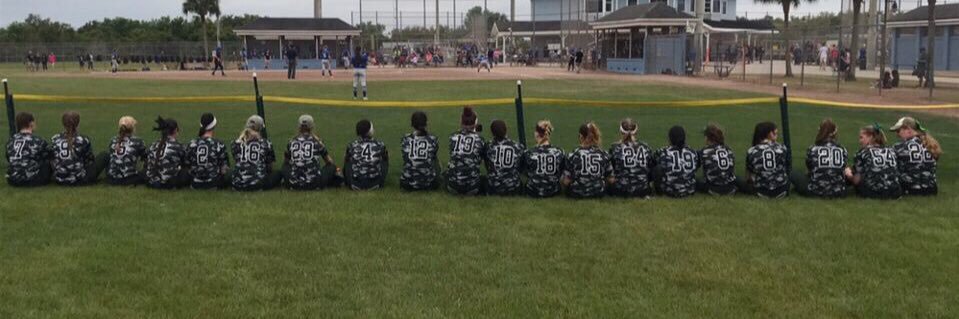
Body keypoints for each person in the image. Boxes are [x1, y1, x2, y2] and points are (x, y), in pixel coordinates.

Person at [792, 119, 849, 198]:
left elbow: (809, 170)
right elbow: (844, 169)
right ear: (835, 132)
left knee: (793, 173)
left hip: (815, 191)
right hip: (839, 192)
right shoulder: (843, 149)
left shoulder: (812, 149)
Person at [844, 124, 902, 199]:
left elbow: (856, 180)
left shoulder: (862, 152)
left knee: (850, 173)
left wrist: (849, 175)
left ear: (871, 137)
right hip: (895, 193)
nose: (859, 141)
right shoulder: (892, 151)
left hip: (873, 193)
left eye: (861, 138)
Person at [283, 115, 340, 190]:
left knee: (285, 166)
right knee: (332, 167)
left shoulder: (291, 141)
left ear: (299, 126)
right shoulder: (317, 142)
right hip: (314, 183)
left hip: (294, 183)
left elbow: (286, 161)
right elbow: (329, 161)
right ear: (312, 126)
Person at [890, 117, 941, 196]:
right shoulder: (931, 145)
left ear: (908, 130)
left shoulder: (899, 147)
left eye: (898, 131)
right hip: (931, 190)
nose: (897, 134)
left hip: (910, 190)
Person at [50, 111, 102, 186]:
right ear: (78, 124)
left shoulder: (55, 139)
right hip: (79, 179)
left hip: (60, 179)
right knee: (104, 156)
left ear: (63, 124)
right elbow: (89, 160)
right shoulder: (83, 140)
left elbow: (52, 159)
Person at [231, 115, 281, 191]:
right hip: (258, 184)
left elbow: (238, 161)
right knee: (278, 174)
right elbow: (270, 166)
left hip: (238, 184)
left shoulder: (235, 143)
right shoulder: (266, 143)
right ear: (260, 128)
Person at [563, 122, 612, 199]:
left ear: (581, 136)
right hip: (599, 192)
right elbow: (611, 179)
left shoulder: (573, 154)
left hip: (577, 193)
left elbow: (566, 181)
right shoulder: (604, 154)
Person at [743, 122, 790, 198]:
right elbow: (786, 167)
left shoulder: (752, 151)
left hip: (761, 192)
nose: (777, 136)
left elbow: (749, 176)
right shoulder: (782, 148)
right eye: (775, 133)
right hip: (782, 190)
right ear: (770, 134)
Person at [446, 107, 487, 195]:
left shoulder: (452, 137)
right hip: (472, 188)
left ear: (461, 121)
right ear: (475, 123)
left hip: (452, 187)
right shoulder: (480, 139)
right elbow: (479, 161)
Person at [608, 118, 653, 198]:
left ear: (621, 131)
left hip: (621, 190)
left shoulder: (615, 148)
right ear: (636, 131)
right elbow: (650, 169)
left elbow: (612, 170)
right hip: (643, 190)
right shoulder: (645, 147)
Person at [6, 112, 53, 187]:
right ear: (30, 123)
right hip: (32, 179)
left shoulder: (11, 140)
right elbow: (50, 156)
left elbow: (9, 157)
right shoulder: (38, 140)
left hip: (12, 179)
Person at [651, 126, 698, 198]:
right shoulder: (693, 152)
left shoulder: (664, 152)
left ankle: (658, 192)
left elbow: (652, 161)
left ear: (670, 138)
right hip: (690, 190)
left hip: (670, 191)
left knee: (657, 168)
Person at [523, 120, 565, 198]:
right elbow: (562, 171)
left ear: (537, 134)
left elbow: (526, 172)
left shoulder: (529, 153)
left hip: (533, 190)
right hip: (554, 190)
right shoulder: (559, 151)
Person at [186, 113, 230, 189]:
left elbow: (187, 165)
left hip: (195, 183)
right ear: (214, 126)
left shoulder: (192, 143)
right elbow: (224, 168)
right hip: (213, 183)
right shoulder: (218, 144)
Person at [145, 117, 190, 189]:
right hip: (168, 183)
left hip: (151, 182)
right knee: (186, 173)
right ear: (175, 130)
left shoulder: (153, 144)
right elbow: (186, 163)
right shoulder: (178, 146)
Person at [400, 112, 441, 191]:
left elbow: (405, 157)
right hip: (428, 184)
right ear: (426, 123)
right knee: (434, 158)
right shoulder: (433, 139)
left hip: (407, 183)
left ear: (412, 124)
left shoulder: (405, 139)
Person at [344, 119, 389, 190]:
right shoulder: (380, 144)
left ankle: (348, 182)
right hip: (375, 184)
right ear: (369, 131)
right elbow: (385, 160)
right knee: (385, 160)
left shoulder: (352, 145)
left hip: (356, 184)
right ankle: (381, 181)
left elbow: (347, 162)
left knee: (348, 160)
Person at [485, 120, 525, 195]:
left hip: (493, 188)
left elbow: (487, 166)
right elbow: (521, 167)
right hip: (513, 187)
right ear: (506, 130)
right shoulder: (518, 146)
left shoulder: (488, 146)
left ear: (492, 133)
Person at [105, 116, 147, 185]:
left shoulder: (113, 140)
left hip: (111, 179)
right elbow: (145, 158)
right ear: (133, 128)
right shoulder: (138, 141)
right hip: (128, 179)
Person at [698, 124, 737, 196]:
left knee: (696, 181)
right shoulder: (729, 149)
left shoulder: (704, 151)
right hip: (730, 187)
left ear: (707, 138)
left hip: (712, 188)